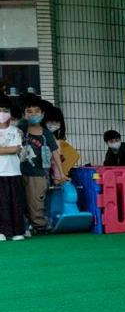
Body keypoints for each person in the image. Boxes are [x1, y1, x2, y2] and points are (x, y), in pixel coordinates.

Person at [19, 97, 64, 234]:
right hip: (18, 172)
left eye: (36, 111)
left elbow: (55, 152)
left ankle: (39, 225)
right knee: (20, 200)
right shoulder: (20, 129)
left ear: (42, 114)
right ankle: (25, 225)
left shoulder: (46, 133)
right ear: (24, 114)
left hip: (38, 174)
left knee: (36, 201)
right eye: (29, 111)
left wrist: (61, 173)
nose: (33, 114)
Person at [0, 96, 26, 240]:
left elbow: (16, 149)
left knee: (16, 202)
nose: (2, 114)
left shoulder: (16, 131)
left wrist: (5, 149)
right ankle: (2, 232)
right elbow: (11, 149)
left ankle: (18, 232)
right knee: (2, 203)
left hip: (14, 172)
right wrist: (9, 149)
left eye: (5, 110)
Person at [44, 106, 80, 177]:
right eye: (51, 121)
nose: (53, 124)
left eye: (56, 122)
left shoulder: (56, 139)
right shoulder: (45, 136)